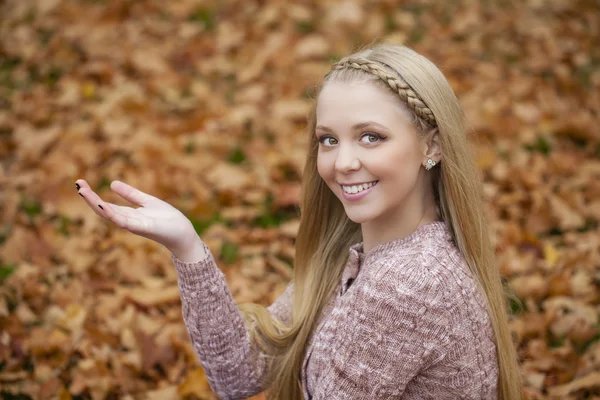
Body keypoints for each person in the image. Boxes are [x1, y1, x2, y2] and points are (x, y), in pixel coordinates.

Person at [76, 44, 523, 399]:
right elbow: (239, 374)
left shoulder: (410, 283)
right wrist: (188, 248)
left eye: (371, 137)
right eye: (328, 139)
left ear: (433, 147)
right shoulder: (351, 258)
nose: (343, 162)